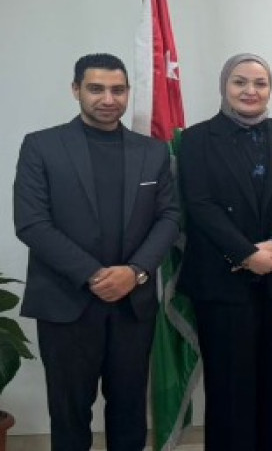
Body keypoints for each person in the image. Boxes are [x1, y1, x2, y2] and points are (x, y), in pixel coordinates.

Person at [13, 53, 180, 451]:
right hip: (66, 303)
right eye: (96, 89)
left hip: (132, 305)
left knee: (130, 413)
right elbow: (32, 223)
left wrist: (135, 272)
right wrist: (94, 275)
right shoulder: (41, 146)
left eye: (118, 90)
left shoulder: (153, 151)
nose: (108, 99)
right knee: (69, 417)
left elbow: (170, 217)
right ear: (76, 90)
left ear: (127, 93)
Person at [177, 53, 272, 450]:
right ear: (224, 86)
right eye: (240, 82)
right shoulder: (197, 138)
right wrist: (245, 253)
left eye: (260, 83)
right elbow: (199, 203)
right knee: (229, 383)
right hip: (222, 279)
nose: (250, 91)